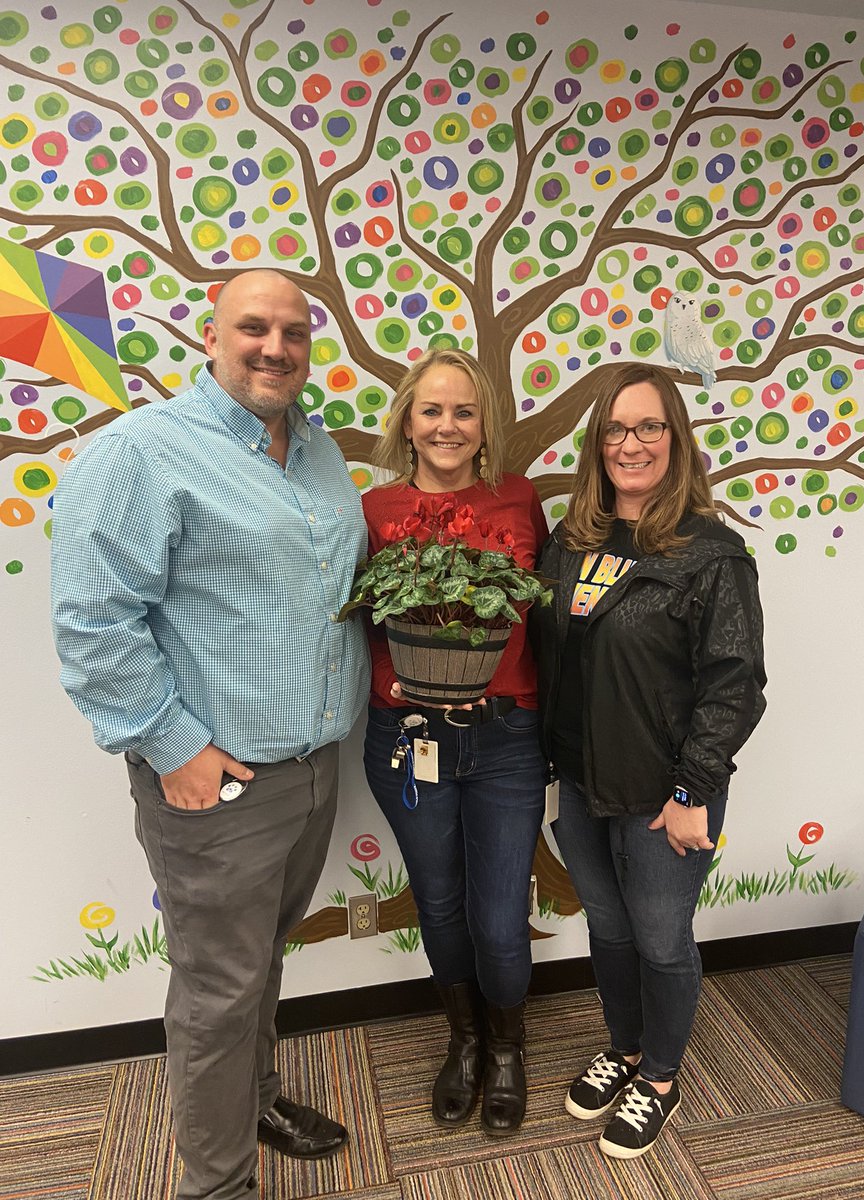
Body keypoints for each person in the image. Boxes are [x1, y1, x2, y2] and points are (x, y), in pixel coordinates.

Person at [50, 269, 370, 1200]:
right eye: (254, 328)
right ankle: (216, 1183)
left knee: (259, 965)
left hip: (312, 768)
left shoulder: (317, 452)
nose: (276, 347)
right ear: (213, 335)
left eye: (294, 332)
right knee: (218, 992)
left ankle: (255, 1099)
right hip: (216, 783)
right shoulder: (143, 453)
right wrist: (170, 745)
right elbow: (92, 623)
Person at [534, 362, 766, 1160]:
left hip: (665, 793)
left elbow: (736, 683)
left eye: (649, 427)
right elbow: (554, 662)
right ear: (596, 443)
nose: (630, 444)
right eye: (615, 429)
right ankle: (625, 1048)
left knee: (662, 939)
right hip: (583, 782)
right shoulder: (571, 542)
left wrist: (694, 787)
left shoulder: (712, 553)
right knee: (607, 927)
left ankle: (660, 1078)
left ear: (676, 439)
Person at [361, 348, 549, 1135]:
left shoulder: (519, 500)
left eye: (463, 412)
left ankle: (508, 1049)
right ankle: (465, 1041)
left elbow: (545, 614)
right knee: (438, 903)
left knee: (500, 916)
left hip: (505, 737)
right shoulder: (372, 509)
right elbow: (356, 619)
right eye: (431, 410)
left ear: (484, 427)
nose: (447, 425)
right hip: (406, 736)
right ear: (407, 419)